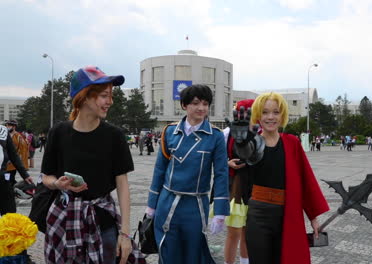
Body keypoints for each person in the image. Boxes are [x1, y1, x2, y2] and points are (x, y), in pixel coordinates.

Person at [40, 66, 145, 264]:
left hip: (102, 220)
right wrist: (58, 184)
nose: (110, 102)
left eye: (111, 96)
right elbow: (46, 177)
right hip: (64, 218)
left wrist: (124, 235)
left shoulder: (114, 136)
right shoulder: (59, 132)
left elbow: (123, 186)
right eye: (104, 96)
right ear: (84, 96)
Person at [231, 92, 329, 264]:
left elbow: (307, 181)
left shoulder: (292, 143)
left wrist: (313, 218)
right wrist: (240, 142)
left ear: (282, 115)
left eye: (275, 112)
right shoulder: (253, 142)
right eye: (265, 112)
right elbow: (246, 153)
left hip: (287, 213)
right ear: (257, 115)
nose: (270, 117)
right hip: (258, 214)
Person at [146, 84, 229, 264]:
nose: (201, 108)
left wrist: (220, 212)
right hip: (166, 202)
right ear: (184, 105)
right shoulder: (169, 132)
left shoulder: (215, 135)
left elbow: (222, 173)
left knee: (193, 253)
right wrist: (152, 204)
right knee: (167, 250)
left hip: (195, 205)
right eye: (196, 103)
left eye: (206, 104)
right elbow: (160, 169)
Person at [223, 99, 255, 264]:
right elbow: (216, 158)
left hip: (255, 187)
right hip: (234, 187)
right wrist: (226, 163)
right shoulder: (227, 133)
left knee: (247, 234)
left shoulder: (260, 131)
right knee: (233, 233)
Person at [5, 120, 29, 186]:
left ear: (14, 126)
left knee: (9, 180)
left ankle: (12, 192)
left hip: (12, 163)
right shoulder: (4, 135)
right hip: (4, 163)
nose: (7, 127)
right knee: (6, 180)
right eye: (6, 125)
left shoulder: (18, 136)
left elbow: (23, 150)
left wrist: (24, 165)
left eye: (9, 125)